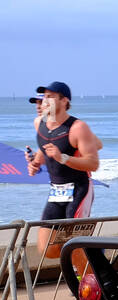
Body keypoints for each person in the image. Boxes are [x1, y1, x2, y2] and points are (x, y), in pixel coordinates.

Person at [26, 81, 102, 257]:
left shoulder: (77, 128)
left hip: (79, 189)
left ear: (64, 101)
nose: (45, 101)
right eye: (44, 97)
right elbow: (45, 150)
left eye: (50, 97)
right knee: (47, 249)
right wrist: (35, 164)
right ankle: (95, 251)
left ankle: (91, 279)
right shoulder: (39, 123)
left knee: (75, 247)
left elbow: (93, 163)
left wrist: (64, 158)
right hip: (57, 191)